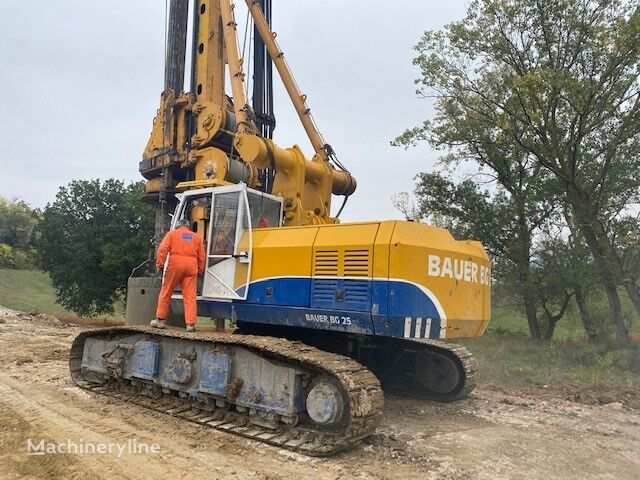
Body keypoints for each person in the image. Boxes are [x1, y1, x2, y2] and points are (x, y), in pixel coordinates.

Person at [150, 218, 205, 332]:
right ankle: (190, 324)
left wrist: (160, 265)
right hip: (191, 266)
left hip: (175, 265)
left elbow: (162, 250)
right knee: (190, 297)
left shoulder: (172, 234)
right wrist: (200, 270)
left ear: (177, 226)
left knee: (166, 291)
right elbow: (202, 256)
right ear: (188, 226)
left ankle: (160, 320)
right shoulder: (196, 237)